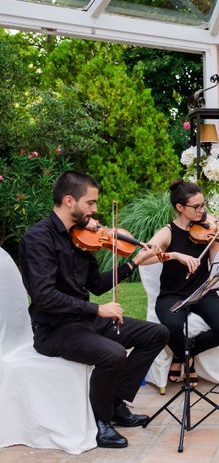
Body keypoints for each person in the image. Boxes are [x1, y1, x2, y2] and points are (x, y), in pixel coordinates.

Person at [19, 171, 170, 449]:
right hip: (55, 329)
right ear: (68, 201)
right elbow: (44, 296)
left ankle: (115, 404)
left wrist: (134, 262)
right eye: (90, 203)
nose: (95, 210)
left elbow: (97, 285)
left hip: (85, 320)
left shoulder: (80, 237)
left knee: (157, 333)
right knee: (112, 354)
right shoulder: (38, 239)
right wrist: (97, 310)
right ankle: (101, 423)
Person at [143, 179, 219, 387]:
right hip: (172, 295)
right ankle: (187, 359)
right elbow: (143, 256)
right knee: (172, 326)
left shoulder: (208, 228)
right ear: (180, 207)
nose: (202, 211)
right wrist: (174, 255)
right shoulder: (168, 232)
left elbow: (215, 265)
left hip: (203, 292)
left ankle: (184, 354)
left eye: (203, 205)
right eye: (196, 207)